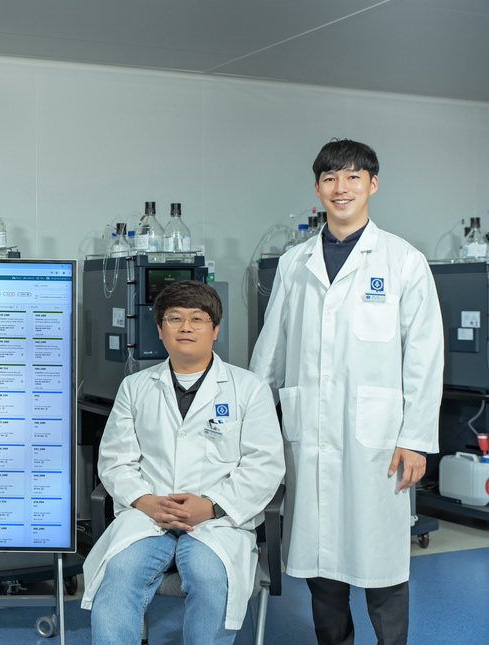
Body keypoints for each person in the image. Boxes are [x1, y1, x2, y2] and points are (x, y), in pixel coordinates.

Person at [250, 139, 443, 645]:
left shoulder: (403, 260)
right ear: (317, 188)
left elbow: (424, 356)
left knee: (382, 560)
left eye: (354, 177)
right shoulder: (294, 263)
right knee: (321, 561)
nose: (342, 188)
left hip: (378, 440)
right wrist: (252, 421)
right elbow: (272, 348)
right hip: (310, 432)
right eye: (331, 178)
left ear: (372, 184)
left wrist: (416, 439)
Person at [81, 281, 285, 645]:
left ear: (215, 329)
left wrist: (211, 506)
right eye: (174, 318)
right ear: (160, 330)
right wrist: (146, 502)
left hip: (218, 520)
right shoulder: (135, 387)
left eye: (197, 319)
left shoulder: (249, 388)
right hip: (148, 515)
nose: (186, 327)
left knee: (208, 574)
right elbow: (115, 460)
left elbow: (264, 464)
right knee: (121, 571)